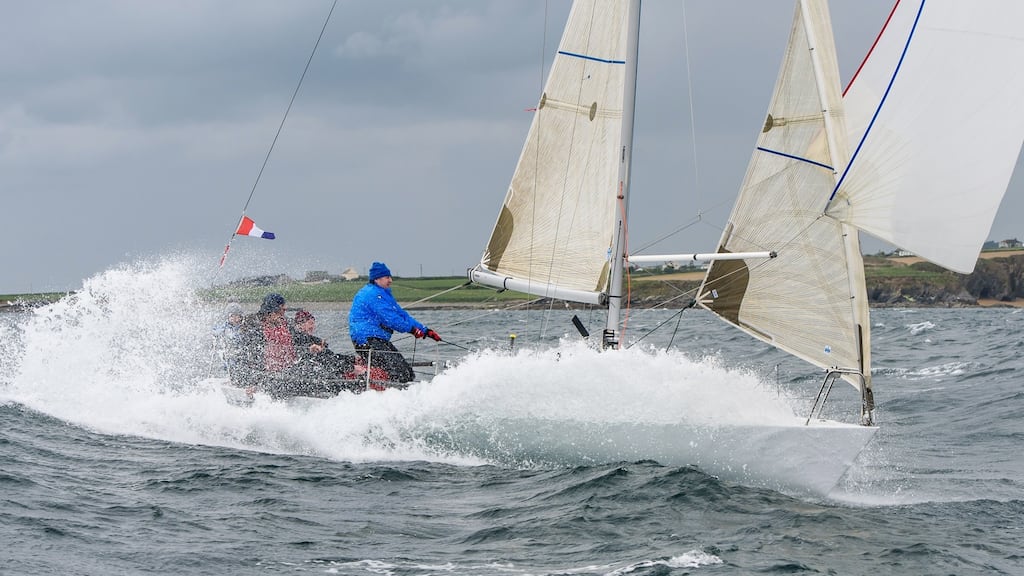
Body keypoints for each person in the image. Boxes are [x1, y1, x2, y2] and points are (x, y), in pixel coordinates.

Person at [348, 261, 440, 383]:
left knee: (407, 372)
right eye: (387, 277)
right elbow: (390, 319)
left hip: (378, 339)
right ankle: (366, 383)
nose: (390, 280)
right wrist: (412, 330)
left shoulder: (383, 293)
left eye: (390, 277)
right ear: (377, 279)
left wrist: (425, 330)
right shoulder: (372, 294)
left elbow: (401, 315)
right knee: (399, 372)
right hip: (366, 340)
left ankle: (385, 389)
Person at [291, 308, 358, 381]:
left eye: (313, 323)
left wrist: (352, 359)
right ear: (300, 324)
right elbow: (298, 351)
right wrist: (351, 368)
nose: (313, 327)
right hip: (305, 376)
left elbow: (331, 356)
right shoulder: (296, 338)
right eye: (310, 323)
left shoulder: (314, 340)